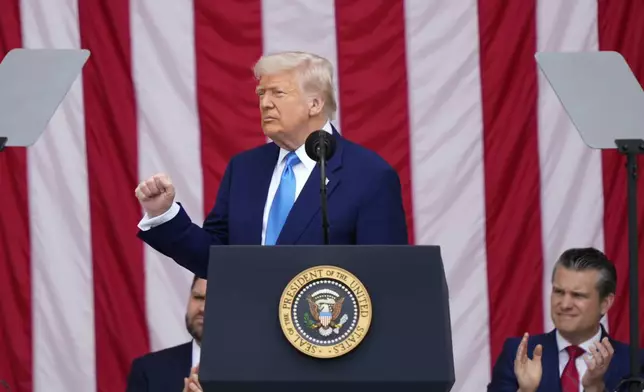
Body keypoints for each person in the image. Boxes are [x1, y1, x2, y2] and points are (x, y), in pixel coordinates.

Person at [134, 51, 408, 278]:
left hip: (326, 333)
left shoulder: (369, 175)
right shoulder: (244, 169)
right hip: (247, 335)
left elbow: (384, 277)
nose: (264, 104)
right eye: (261, 93)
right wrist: (165, 214)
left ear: (314, 103)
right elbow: (215, 260)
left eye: (277, 93)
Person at [487, 247, 644, 392]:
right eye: (559, 292)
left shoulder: (635, 363)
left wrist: (594, 388)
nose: (565, 304)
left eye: (578, 295)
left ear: (605, 303)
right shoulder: (519, 354)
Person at [125, 276, 206, 392]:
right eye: (198, 297)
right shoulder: (149, 371)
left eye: (214, 300)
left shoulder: (241, 370)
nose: (202, 308)